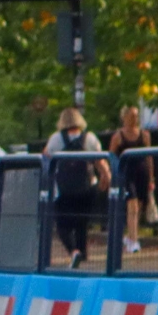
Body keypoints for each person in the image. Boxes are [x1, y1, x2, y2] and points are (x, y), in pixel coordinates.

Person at [41, 105, 111, 267]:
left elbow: (45, 159)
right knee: (81, 223)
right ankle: (82, 256)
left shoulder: (56, 139)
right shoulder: (90, 138)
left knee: (62, 226)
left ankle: (74, 252)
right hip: (87, 188)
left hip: (64, 190)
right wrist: (106, 179)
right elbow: (100, 162)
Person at [106, 104, 152, 254]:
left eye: (136, 115)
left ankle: (131, 235)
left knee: (139, 206)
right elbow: (111, 157)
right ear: (124, 117)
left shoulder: (144, 135)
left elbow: (149, 157)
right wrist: (111, 176)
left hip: (141, 172)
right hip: (126, 174)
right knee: (132, 205)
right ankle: (134, 241)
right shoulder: (118, 136)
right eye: (131, 115)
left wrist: (152, 177)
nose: (134, 118)